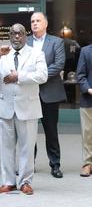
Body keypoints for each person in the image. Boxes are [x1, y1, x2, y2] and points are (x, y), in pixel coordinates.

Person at [0, 23, 48, 195]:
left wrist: (19, 76)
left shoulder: (36, 53)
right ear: (9, 36)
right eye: (13, 34)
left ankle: (25, 182)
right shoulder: (4, 52)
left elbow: (42, 75)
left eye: (19, 34)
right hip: (5, 107)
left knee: (27, 147)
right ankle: (8, 182)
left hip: (28, 107)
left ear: (25, 35)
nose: (16, 37)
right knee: (6, 147)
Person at [27, 12, 66, 178]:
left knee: (51, 131)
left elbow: (58, 65)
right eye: (32, 21)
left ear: (46, 24)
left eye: (38, 21)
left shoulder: (56, 42)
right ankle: (28, 164)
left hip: (49, 93)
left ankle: (55, 165)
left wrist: (38, 76)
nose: (35, 23)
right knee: (29, 132)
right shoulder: (25, 42)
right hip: (29, 94)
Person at [76, 43, 92, 177]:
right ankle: (88, 164)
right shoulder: (86, 51)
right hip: (89, 99)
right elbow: (80, 76)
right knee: (88, 133)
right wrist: (88, 89)